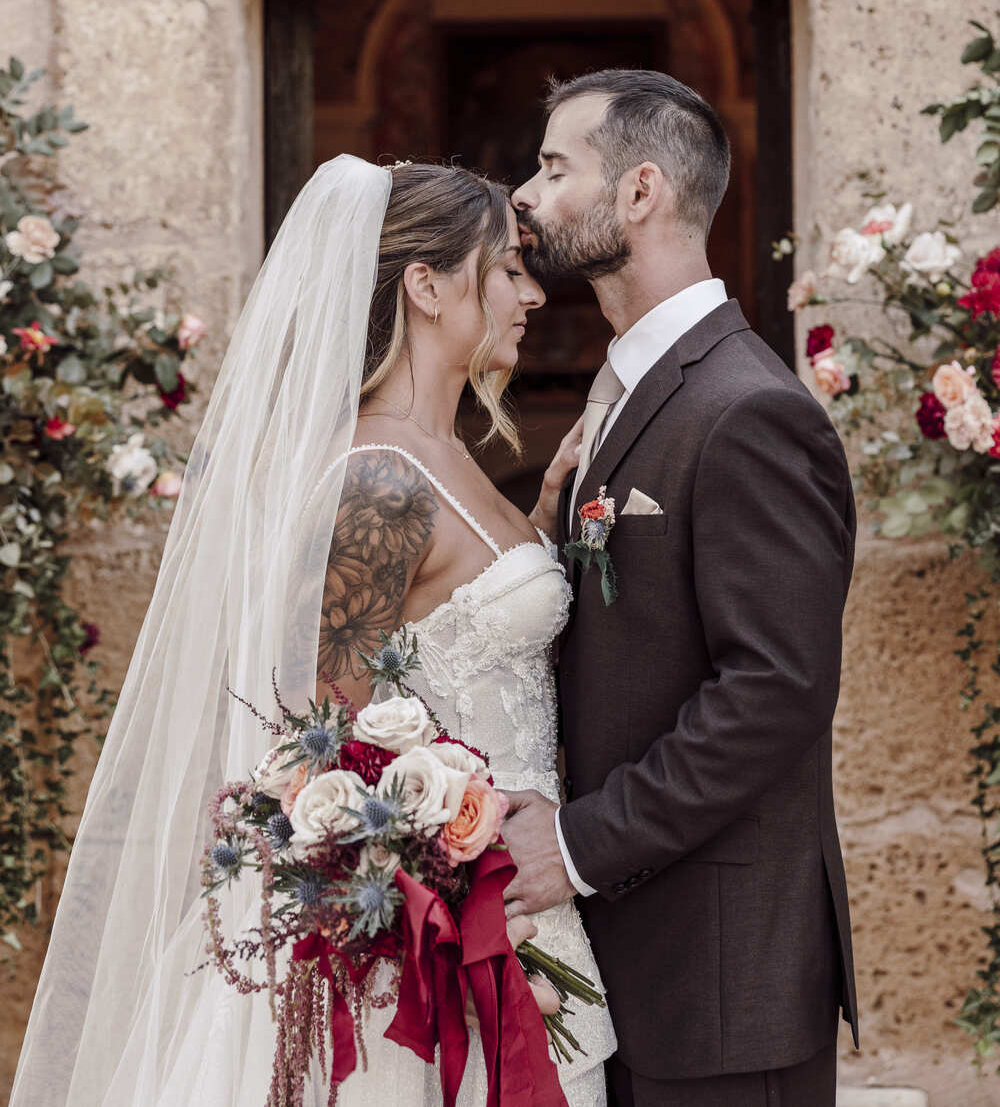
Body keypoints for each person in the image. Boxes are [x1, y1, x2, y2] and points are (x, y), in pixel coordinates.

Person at [10, 156, 615, 1107]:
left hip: (523, 907)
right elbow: (328, 741)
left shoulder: (445, 453)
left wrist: (542, 520)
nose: (532, 294)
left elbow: (456, 627)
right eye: (508, 268)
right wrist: (445, 893)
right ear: (426, 285)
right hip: (427, 948)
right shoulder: (377, 478)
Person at [503, 69, 858, 1107]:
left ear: (640, 191)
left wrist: (575, 845)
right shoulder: (637, 393)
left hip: (721, 979)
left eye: (554, 168)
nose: (525, 196)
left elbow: (774, 691)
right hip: (638, 962)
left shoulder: (748, 409)